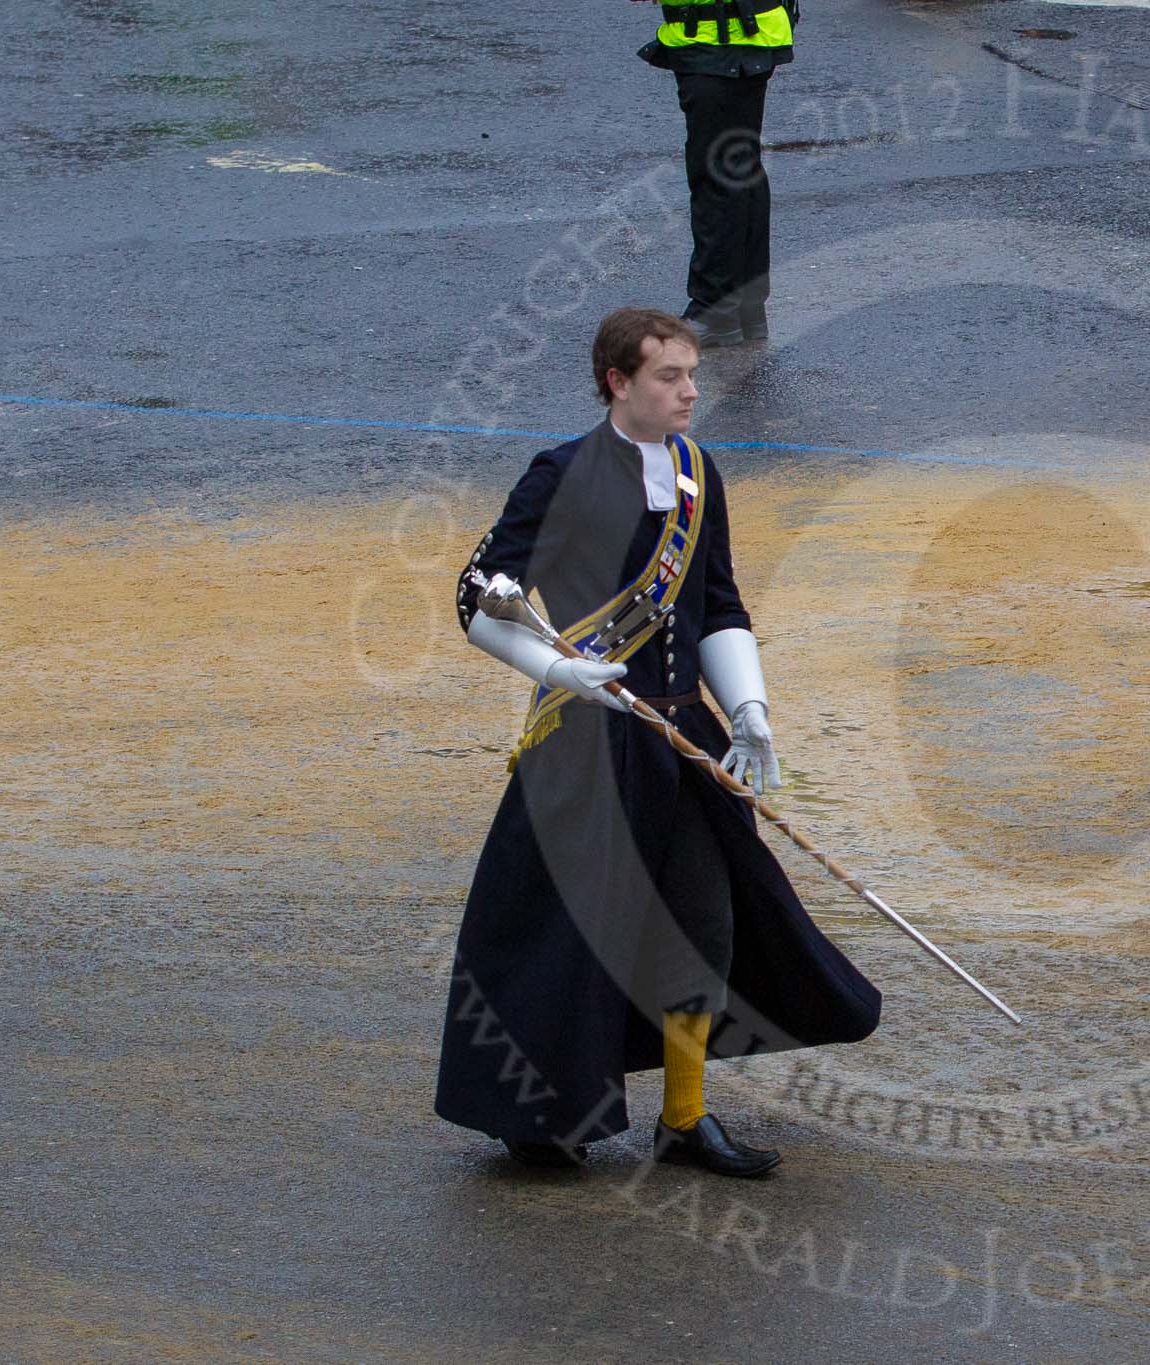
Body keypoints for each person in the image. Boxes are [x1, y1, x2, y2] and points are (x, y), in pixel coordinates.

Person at [435, 307, 879, 1175]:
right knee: (566, 934)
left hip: (681, 737)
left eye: (691, 375)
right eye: (669, 376)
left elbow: (717, 602)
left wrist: (749, 708)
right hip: (587, 742)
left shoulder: (697, 473)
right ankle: (541, 1112)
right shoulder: (557, 475)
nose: (690, 391)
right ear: (618, 382)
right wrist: (560, 673)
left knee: (702, 921)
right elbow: (477, 598)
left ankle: (684, 1116)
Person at [635, 0, 797, 347]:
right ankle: (743, 308)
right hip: (734, 33)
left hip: (722, 37)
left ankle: (716, 311)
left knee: (718, 177)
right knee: (737, 170)